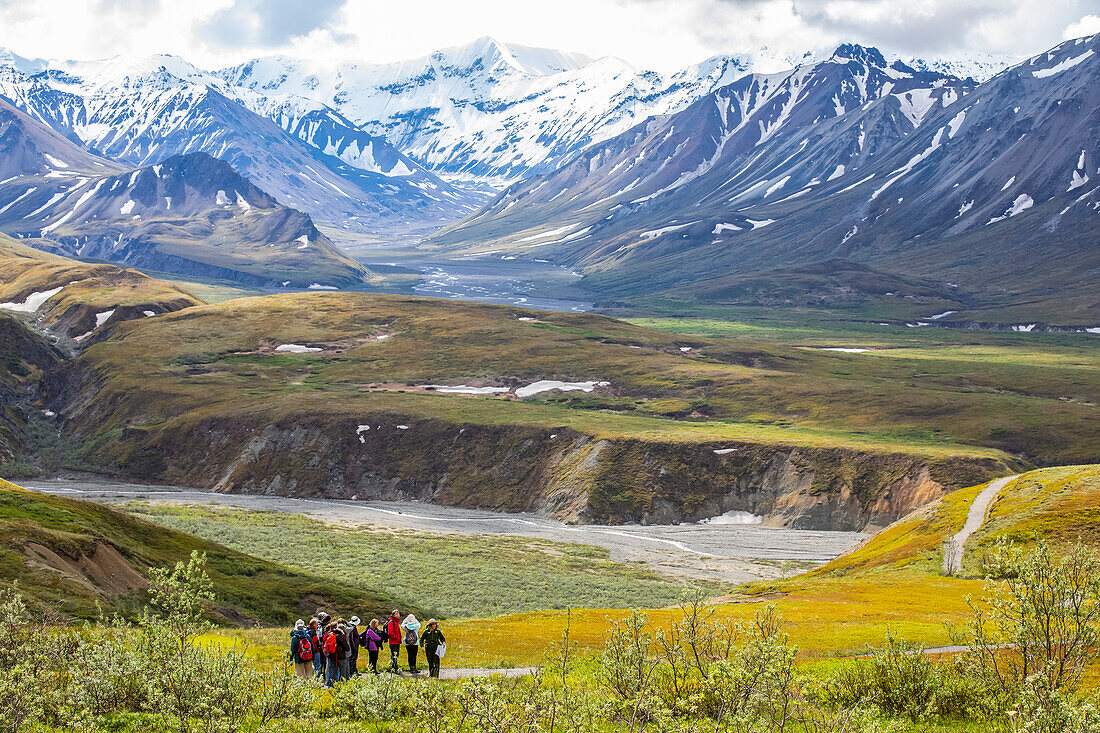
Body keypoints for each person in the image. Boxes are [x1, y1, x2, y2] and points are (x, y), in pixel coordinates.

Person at [322, 621, 349, 687]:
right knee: (343, 672)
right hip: (341, 657)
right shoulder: (341, 637)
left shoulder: (330, 636)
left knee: (333, 672)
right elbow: (347, 648)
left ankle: (333, 685)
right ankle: (343, 686)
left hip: (332, 656)